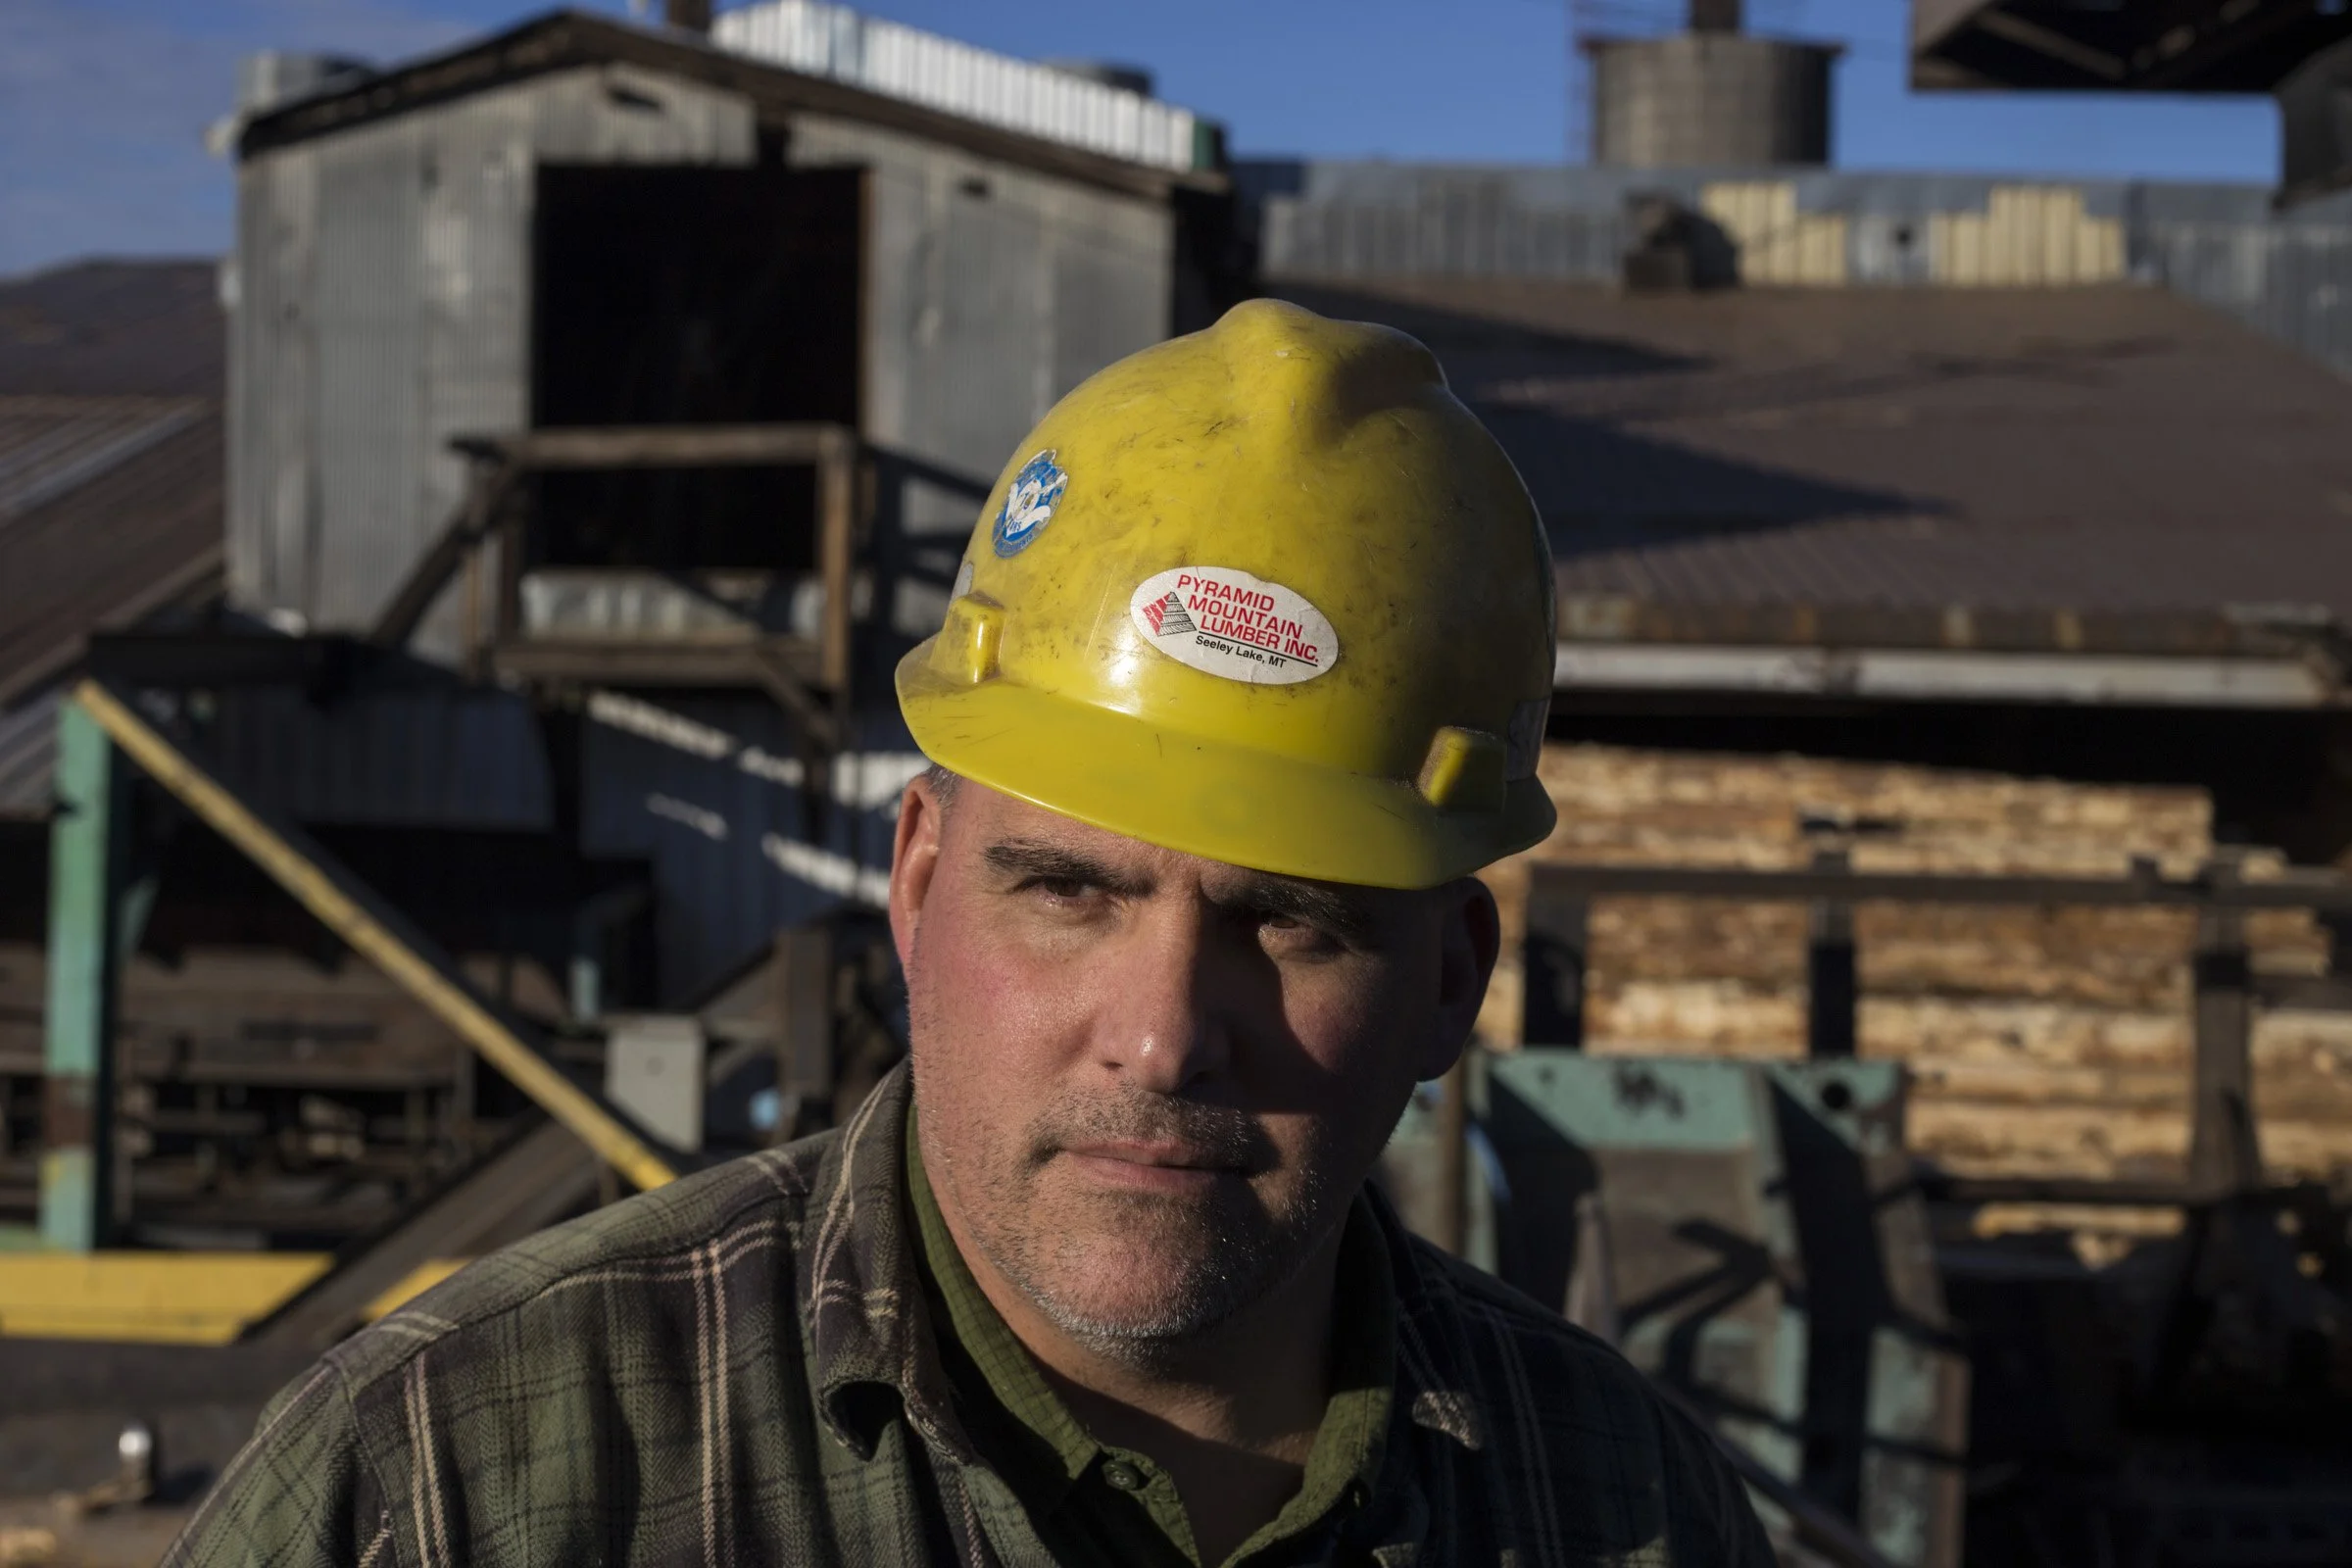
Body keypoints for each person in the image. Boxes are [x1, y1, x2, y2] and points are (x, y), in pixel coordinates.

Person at [164, 299, 1772, 1567]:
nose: (1159, 1033)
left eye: (1289, 922)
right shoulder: (448, 1482)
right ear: (920, 880)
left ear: (1450, 985)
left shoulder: (1624, 1508)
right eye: (1071, 890)